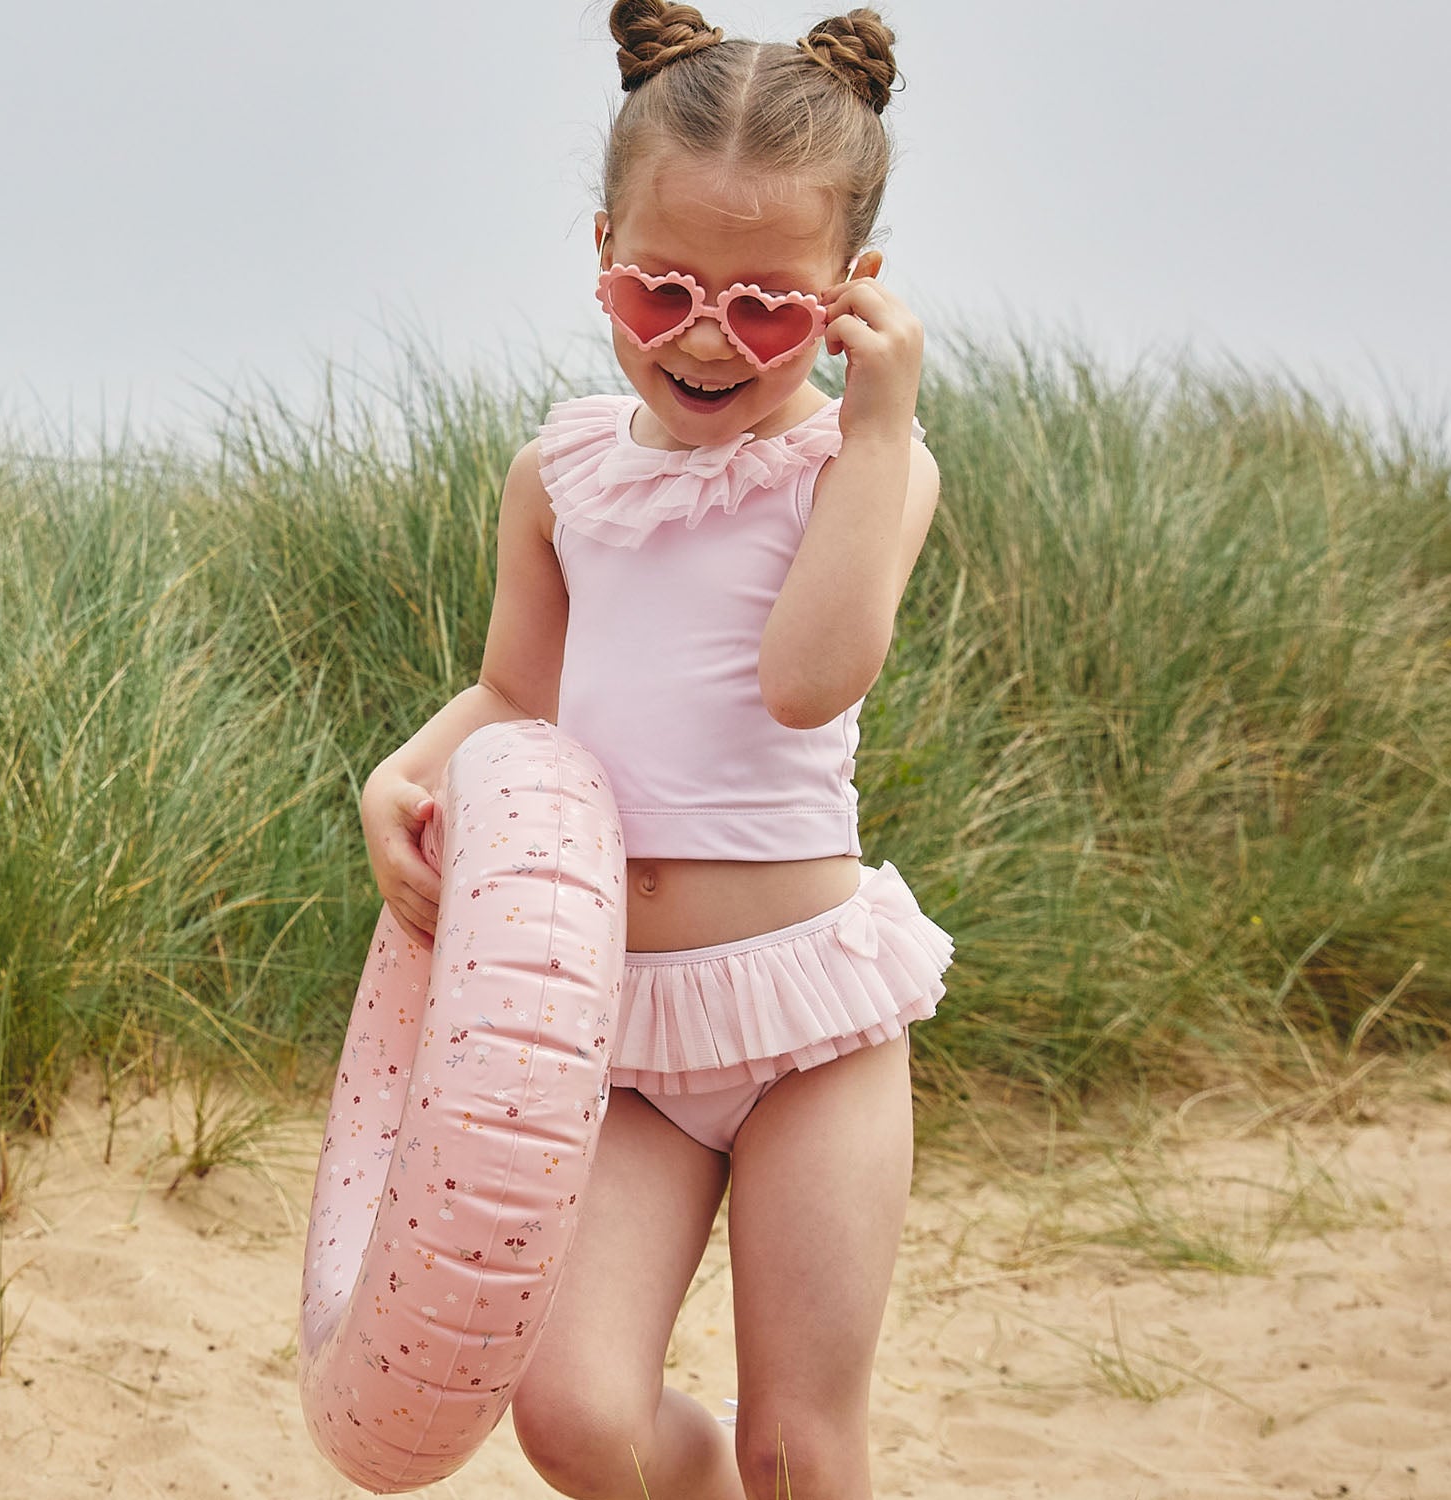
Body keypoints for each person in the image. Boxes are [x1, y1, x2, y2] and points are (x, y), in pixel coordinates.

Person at [358, 4, 952, 1495]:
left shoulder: (862, 467)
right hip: (616, 1022)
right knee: (574, 1416)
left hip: (809, 1020)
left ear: (848, 294)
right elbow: (514, 692)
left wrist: (879, 436)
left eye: (767, 306)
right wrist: (395, 778)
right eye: (660, 288)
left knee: (801, 1445)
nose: (705, 335)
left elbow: (810, 682)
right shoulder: (557, 473)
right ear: (602, 244)